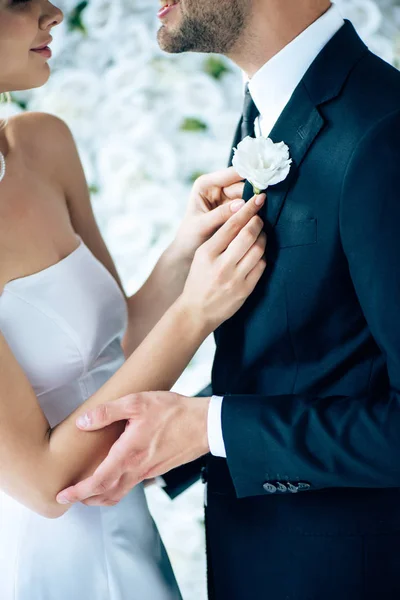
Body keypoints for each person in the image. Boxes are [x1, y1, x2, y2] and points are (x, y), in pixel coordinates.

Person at [62, 0, 400, 598]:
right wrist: (163, 443)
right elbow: (318, 355)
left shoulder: (383, 130)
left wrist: (209, 429)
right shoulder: (269, 107)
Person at [0, 1, 268, 599]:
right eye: (19, 1)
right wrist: (196, 312)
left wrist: (183, 250)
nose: (53, 14)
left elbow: (111, 349)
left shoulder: (43, 143)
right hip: (43, 562)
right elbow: (45, 483)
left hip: (131, 537)